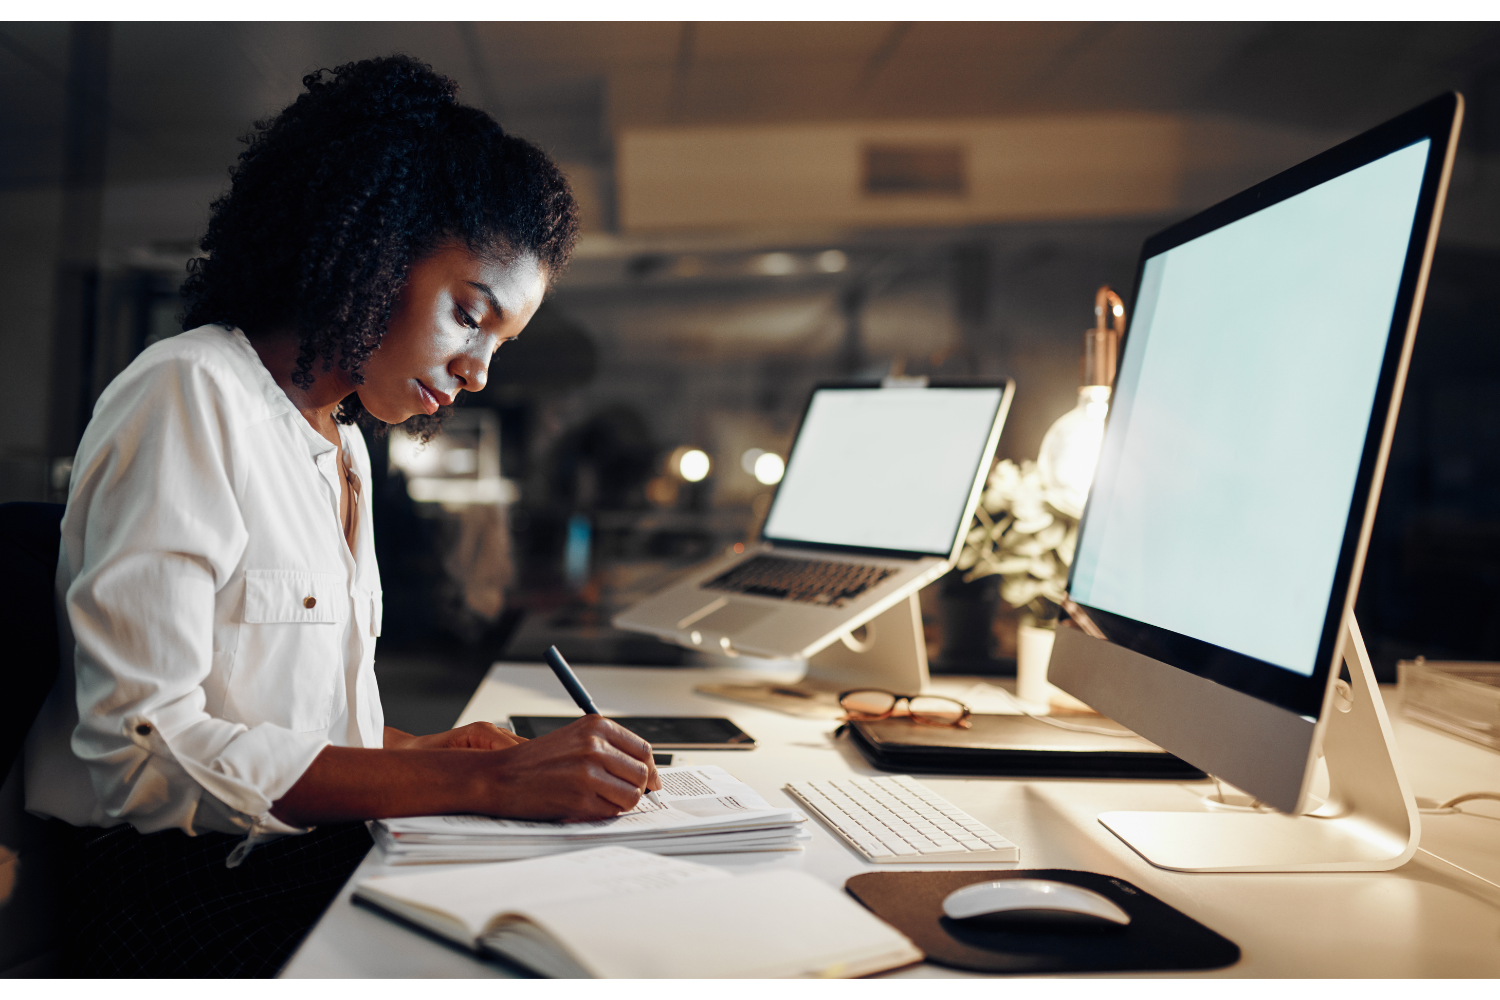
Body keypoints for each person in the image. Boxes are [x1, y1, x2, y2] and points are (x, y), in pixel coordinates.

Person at [23, 55, 659, 978]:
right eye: (469, 316)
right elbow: (144, 750)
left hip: (289, 850)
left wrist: (424, 750)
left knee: (576, 907)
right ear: (378, 248)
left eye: (500, 344)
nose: (479, 371)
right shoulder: (190, 390)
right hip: (175, 887)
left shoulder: (344, 446)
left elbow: (269, 717)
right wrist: (477, 778)